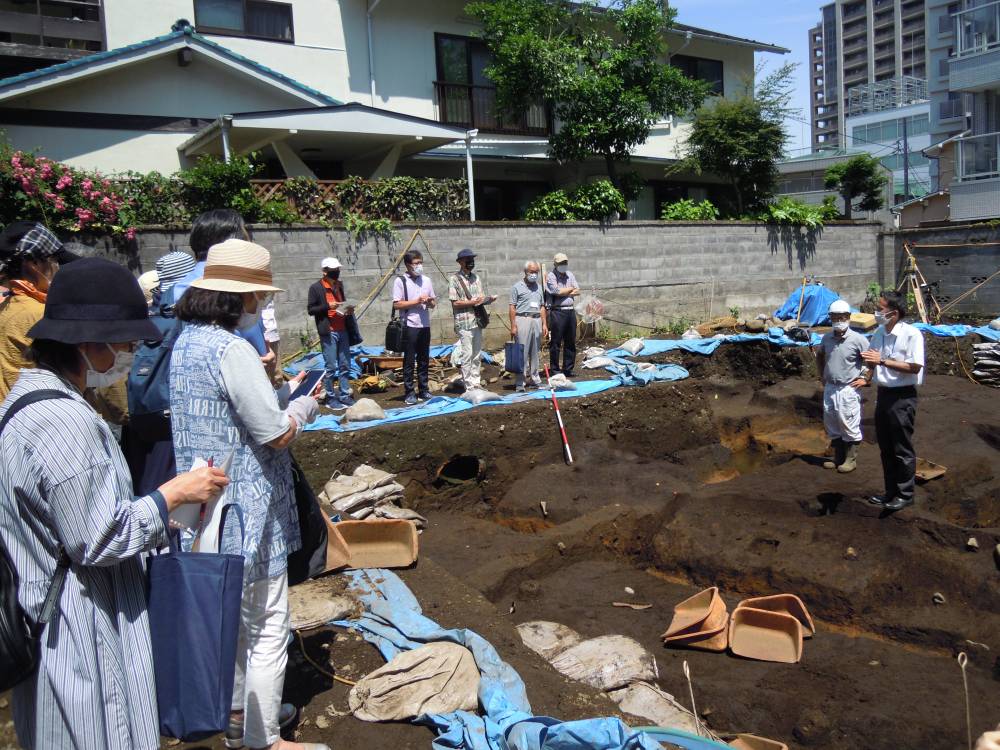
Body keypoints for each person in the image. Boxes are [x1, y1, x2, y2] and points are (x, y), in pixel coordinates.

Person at [0, 256, 229, 750]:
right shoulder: (66, 422)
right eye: (122, 342)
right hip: (78, 625)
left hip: (43, 614)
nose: (128, 352)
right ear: (87, 344)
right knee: (101, 731)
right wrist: (173, 494)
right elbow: (97, 537)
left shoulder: (22, 406)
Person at [170, 239, 328, 750]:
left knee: (235, 623)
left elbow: (229, 417)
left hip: (202, 509)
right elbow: (274, 434)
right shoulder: (231, 348)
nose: (260, 306)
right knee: (266, 627)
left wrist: (274, 392)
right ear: (239, 298)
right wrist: (302, 407)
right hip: (247, 510)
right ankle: (264, 740)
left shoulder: (186, 342)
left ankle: (239, 719)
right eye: (258, 298)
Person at [862, 291, 925, 511]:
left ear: (894, 313)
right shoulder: (879, 332)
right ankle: (890, 491)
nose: (877, 312)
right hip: (884, 394)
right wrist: (865, 377)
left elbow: (915, 366)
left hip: (903, 396)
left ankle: (905, 494)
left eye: (880, 308)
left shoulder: (912, 334)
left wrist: (883, 361)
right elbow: (871, 359)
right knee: (886, 446)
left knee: (901, 447)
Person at [0, 222, 77, 399]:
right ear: (33, 264)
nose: (58, 268)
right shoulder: (41, 314)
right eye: (55, 261)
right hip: (37, 417)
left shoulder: (8, 305)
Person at [816, 299, 869, 473]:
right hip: (831, 387)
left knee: (848, 422)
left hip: (848, 388)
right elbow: (820, 356)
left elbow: (870, 361)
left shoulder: (858, 339)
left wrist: (865, 378)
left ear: (848, 317)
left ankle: (850, 459)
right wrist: (822, 375)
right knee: (832, 423)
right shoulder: (827, 337)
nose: (838, 320)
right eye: (834, 317)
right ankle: (838, 457)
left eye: (841, 317)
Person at [307, 257, 356, 408]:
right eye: (333, 270)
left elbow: (342, 304)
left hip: (343, 329)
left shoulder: (339, 285)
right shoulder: (316, 288)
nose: (336, 273)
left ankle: (344, 394)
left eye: (337, 270)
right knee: (331, 367)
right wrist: (328, 306)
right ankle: (329, 396)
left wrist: (347, 309)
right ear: (325, 271)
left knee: (345, 364)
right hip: (329, 331)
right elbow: (311, 310)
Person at [392, 250, 436, 405]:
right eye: (416, 263)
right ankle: (409, 392)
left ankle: (423, 389)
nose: (419, 266)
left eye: (420, 262)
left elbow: (433, 303)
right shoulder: (400, 281)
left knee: (424, 359)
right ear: (408, 264)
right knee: (409, 360)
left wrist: (429, 301)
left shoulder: (427, 280)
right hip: (409, 324)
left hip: (425, 324)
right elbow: (397, 304)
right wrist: (417, 301)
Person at [449, 248, 495, 391]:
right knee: (467, 354)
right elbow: (455, 302)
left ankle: (476, 381)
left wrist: (487, 300)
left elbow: (479, 299)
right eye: (467, 259)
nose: (471, 262)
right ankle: (468, 384)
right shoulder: (455, 279)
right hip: (464, 322)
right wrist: (473, 302)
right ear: (460, 262)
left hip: (477, 321)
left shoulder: (476, 278)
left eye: (472, 259)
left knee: (476, 354)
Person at [509, 260, 548, 392]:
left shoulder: (538, 288)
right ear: (526, 272)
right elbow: (512, 307)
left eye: (536, 272)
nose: (534, 274)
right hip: (522, 319)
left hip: (536, 320)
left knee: (535, 352)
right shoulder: (517, 287)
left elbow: (542, 306)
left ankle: (535, 379)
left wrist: (544, 324)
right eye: (532, 272)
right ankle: (520, 382)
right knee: (522, 352)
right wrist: (513, 325)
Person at [545, 251, 580, 377]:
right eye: (561, 263)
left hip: (570, 310)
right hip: (558, 311)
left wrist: (565, 291)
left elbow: (578, 290)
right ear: (555, 264)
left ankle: (568, 368)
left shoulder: (570, 274)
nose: (563, 265)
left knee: (570, 340)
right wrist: (570, 290)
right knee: (556, 342)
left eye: (565, 262)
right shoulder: (551, 276)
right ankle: (555, 369)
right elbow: (556, 291)